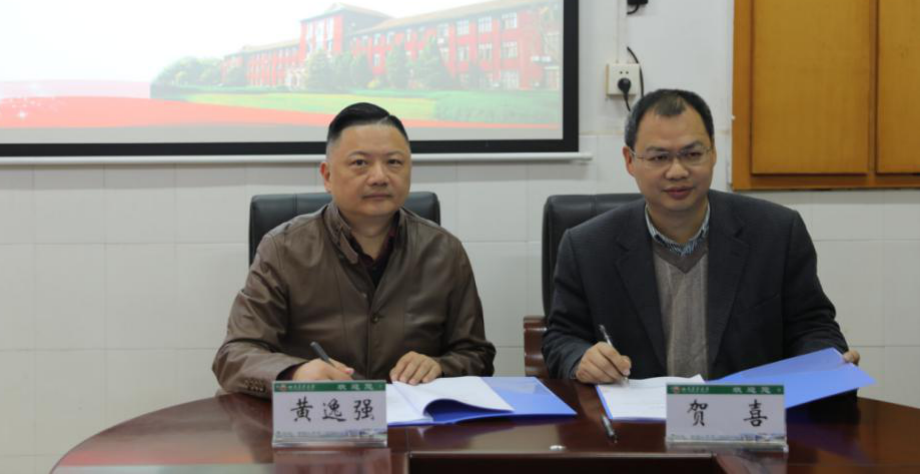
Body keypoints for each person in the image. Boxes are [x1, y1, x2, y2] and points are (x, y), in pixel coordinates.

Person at [542, 89, 858, 384]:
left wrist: (826, 361)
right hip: (637, 420)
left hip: (746, 418)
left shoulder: (777, 232)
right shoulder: (586, 247)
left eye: (692, 154)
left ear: (713, 153)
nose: (677, 171)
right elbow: (561, 338)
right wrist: (580, 359)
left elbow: (812, 326)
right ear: (630, 160)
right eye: (659, 157)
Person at [213, 103, 495, 397]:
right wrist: (295, 373)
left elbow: (476, 355)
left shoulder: (444, 251)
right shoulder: (283, 248)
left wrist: (440, 366)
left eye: (394, 162)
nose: (379, 177)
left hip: (412, 420)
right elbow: (234, 354)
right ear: (327, 176)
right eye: (360, 163)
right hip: (316, 417)